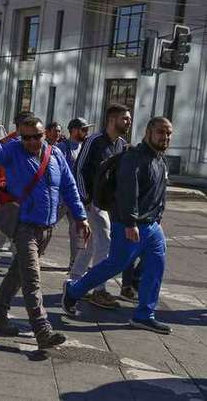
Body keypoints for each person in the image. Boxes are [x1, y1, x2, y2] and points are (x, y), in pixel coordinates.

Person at [0, 113, 90, 349]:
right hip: (24, 226)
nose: (32, 142)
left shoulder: (55, 154)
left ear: (44, 134)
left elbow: (69, 187)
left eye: (36, 136)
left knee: (17, 274)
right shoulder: (14, 151)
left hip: (46, 228)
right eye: (26, 138)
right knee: (32, 280)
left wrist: (81, 217)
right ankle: (42, 330)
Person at [63, 117, 173, 334]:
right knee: (114, 265)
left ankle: (144, 315)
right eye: (161, 132)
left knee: (155, 267)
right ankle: (73, 291)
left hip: (152, 227)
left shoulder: (161, 161)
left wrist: (158, 218)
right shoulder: (133, 158)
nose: (165, 137)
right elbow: (127, 192)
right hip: (128, 225)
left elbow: (160, 194)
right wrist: (130, 223)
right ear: (149, 132)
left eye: (169, 133)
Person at [71, 103, 131, 309]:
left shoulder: (122, 144)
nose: (128, 122)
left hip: (107, 204)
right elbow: (78, 170)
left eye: (129, 118)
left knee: (90, 245)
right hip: (90, 201)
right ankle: (99, 289)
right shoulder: (94, 141)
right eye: (125, 118)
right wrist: (85, 199)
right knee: (104, 240)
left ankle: (75, 281)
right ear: (112, 120)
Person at [0, 110, 34, 264]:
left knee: (11, 228)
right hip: (6, 194)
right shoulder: (6, 143)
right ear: (19, 127)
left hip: (25, 195)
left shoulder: (33, 144)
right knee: (16, 231)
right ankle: (17, 265)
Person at [57, 117, 93, 268]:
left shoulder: (85, 148)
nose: (86, 132)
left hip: (75, 199)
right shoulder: (61, 148)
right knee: (44, 228)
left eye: (87, 129)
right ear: (73, 130)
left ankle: (74, 263)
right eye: (83, 129)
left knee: (77, 231)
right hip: (60, 198)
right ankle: (27, 255)